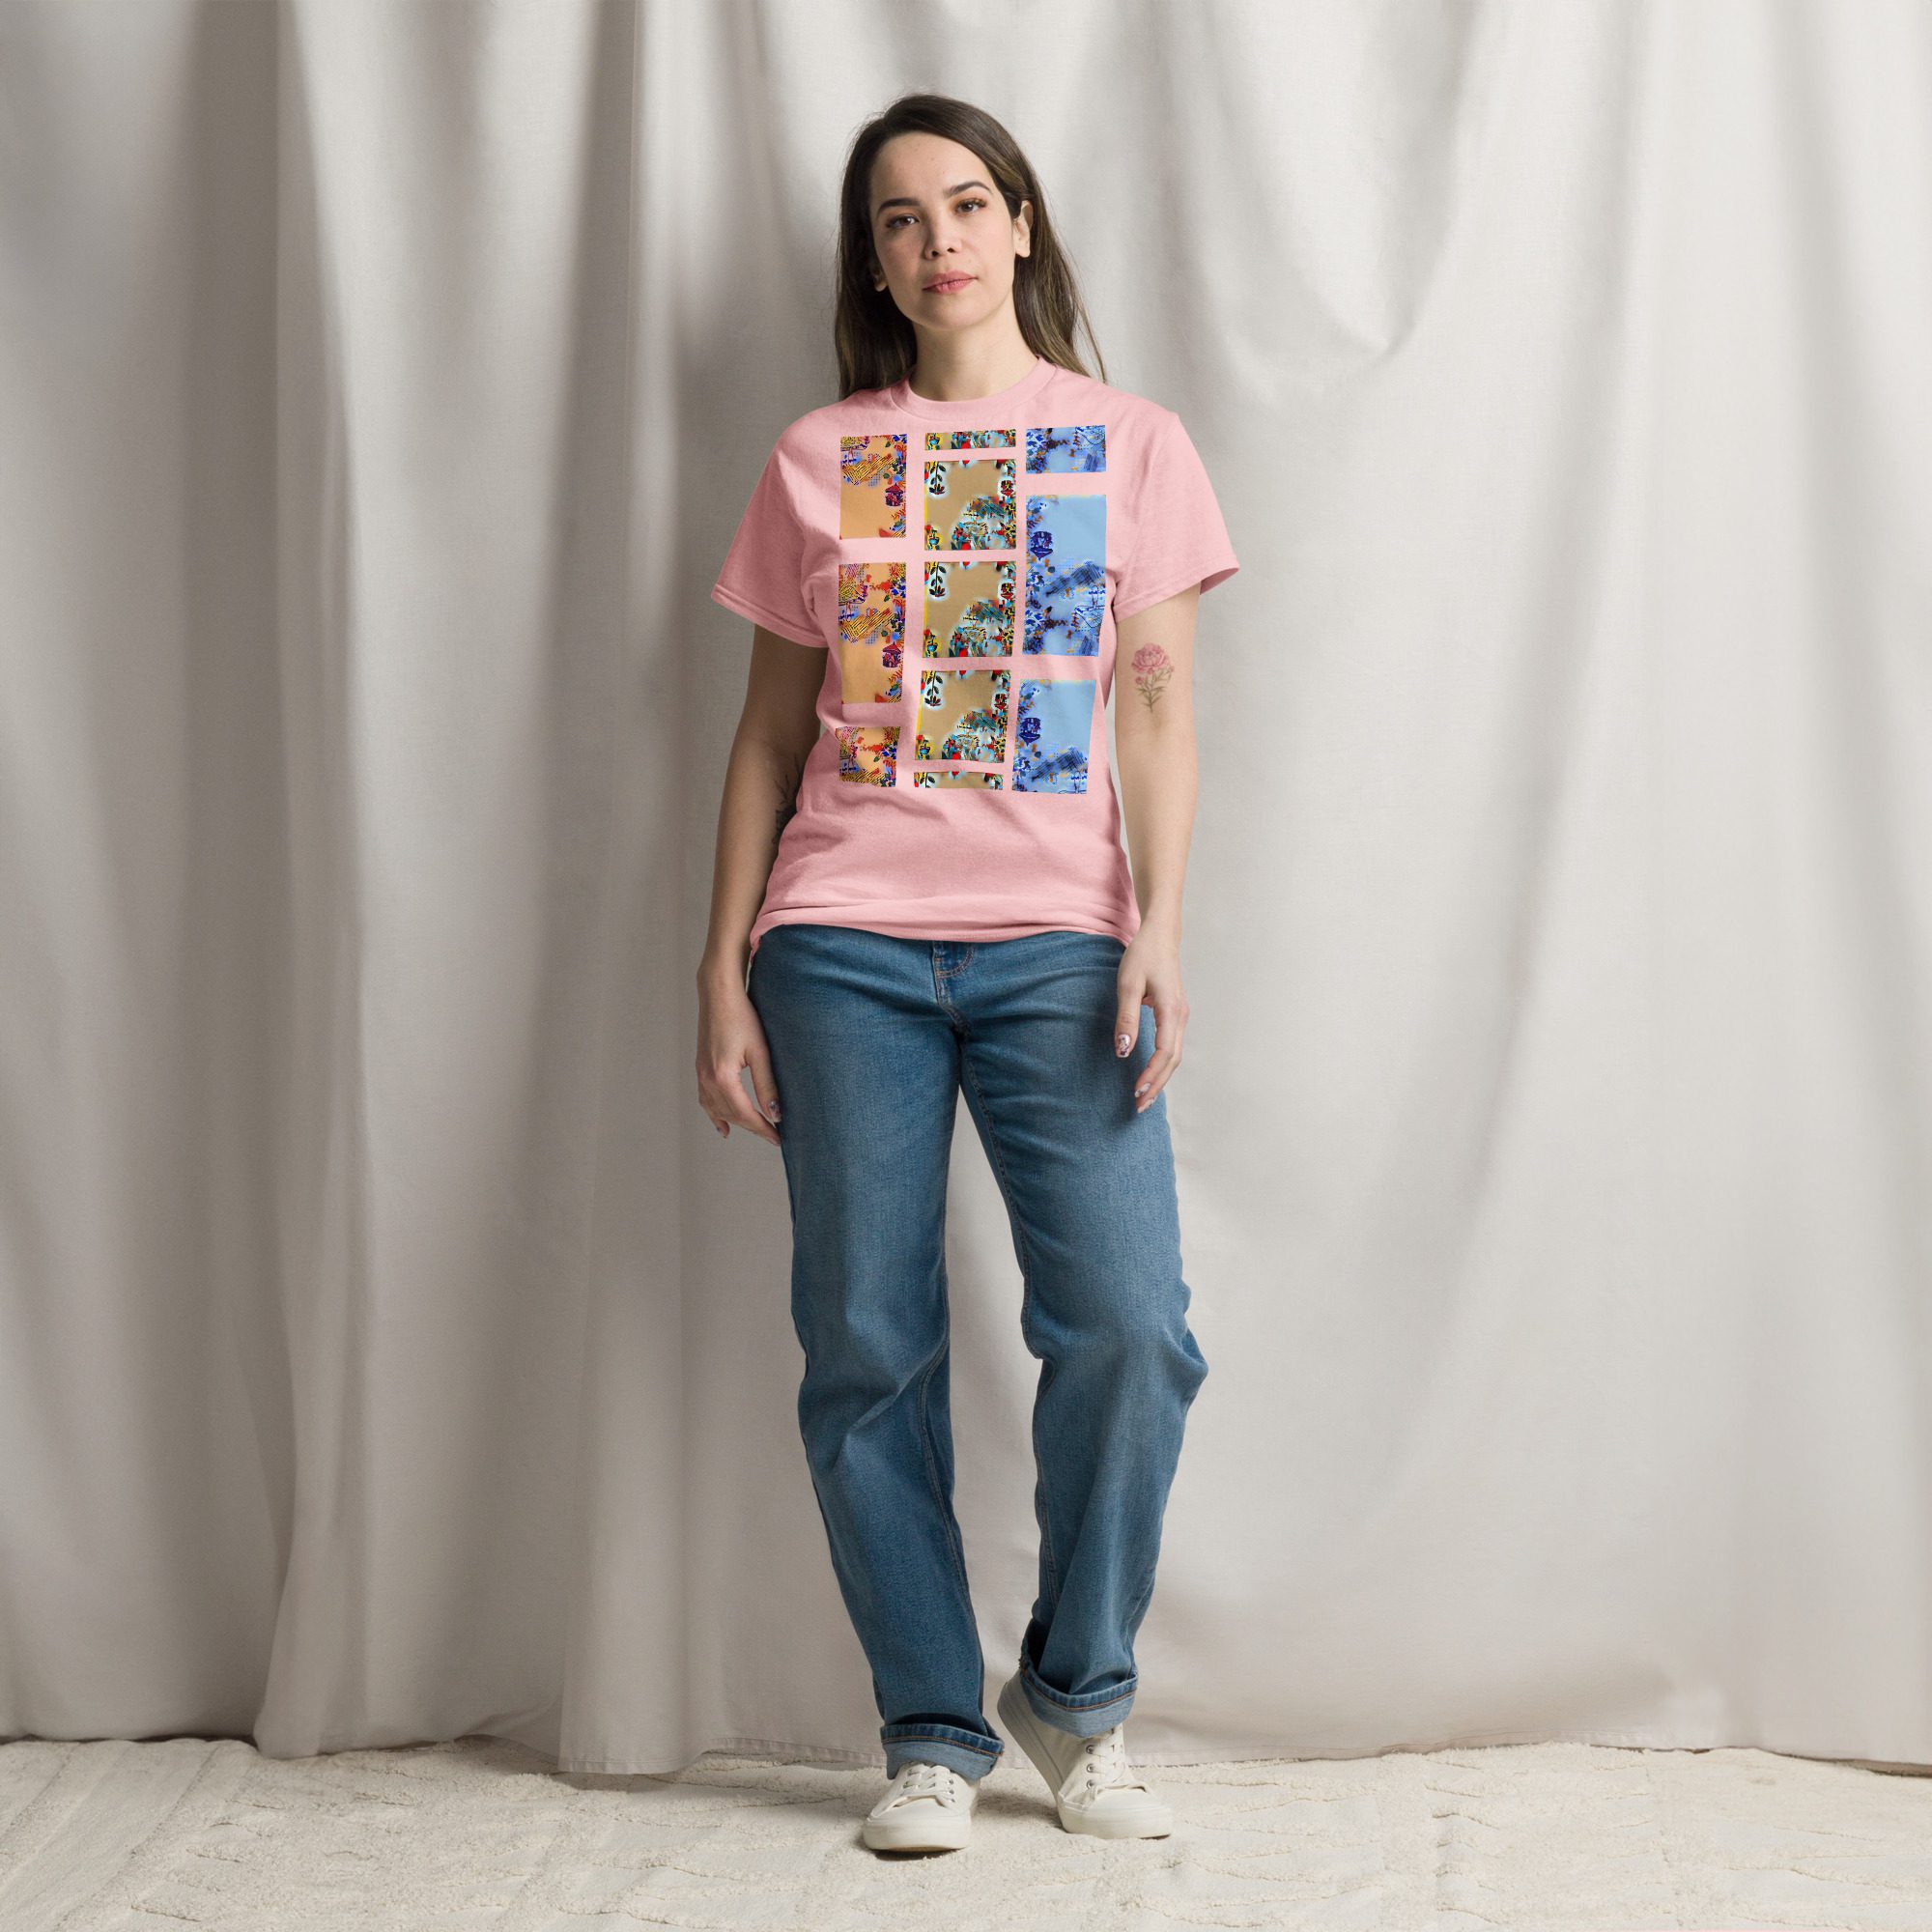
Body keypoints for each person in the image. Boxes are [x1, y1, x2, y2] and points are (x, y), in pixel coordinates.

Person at [695, 91, 1239, 1857]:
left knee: (1131, 1333)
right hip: (839, 945)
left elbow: (1155, 713)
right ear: (875, 263)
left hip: (1060, 947)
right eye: (900, 219)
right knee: (865, 1343)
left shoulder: (1131, 446)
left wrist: (1160, 923)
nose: (939, 240)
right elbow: (768, 741)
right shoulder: (818, 458)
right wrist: (722, 967)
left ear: (1021, 225)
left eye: (968, 204)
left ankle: (1074, 1696)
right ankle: (931, 1725)